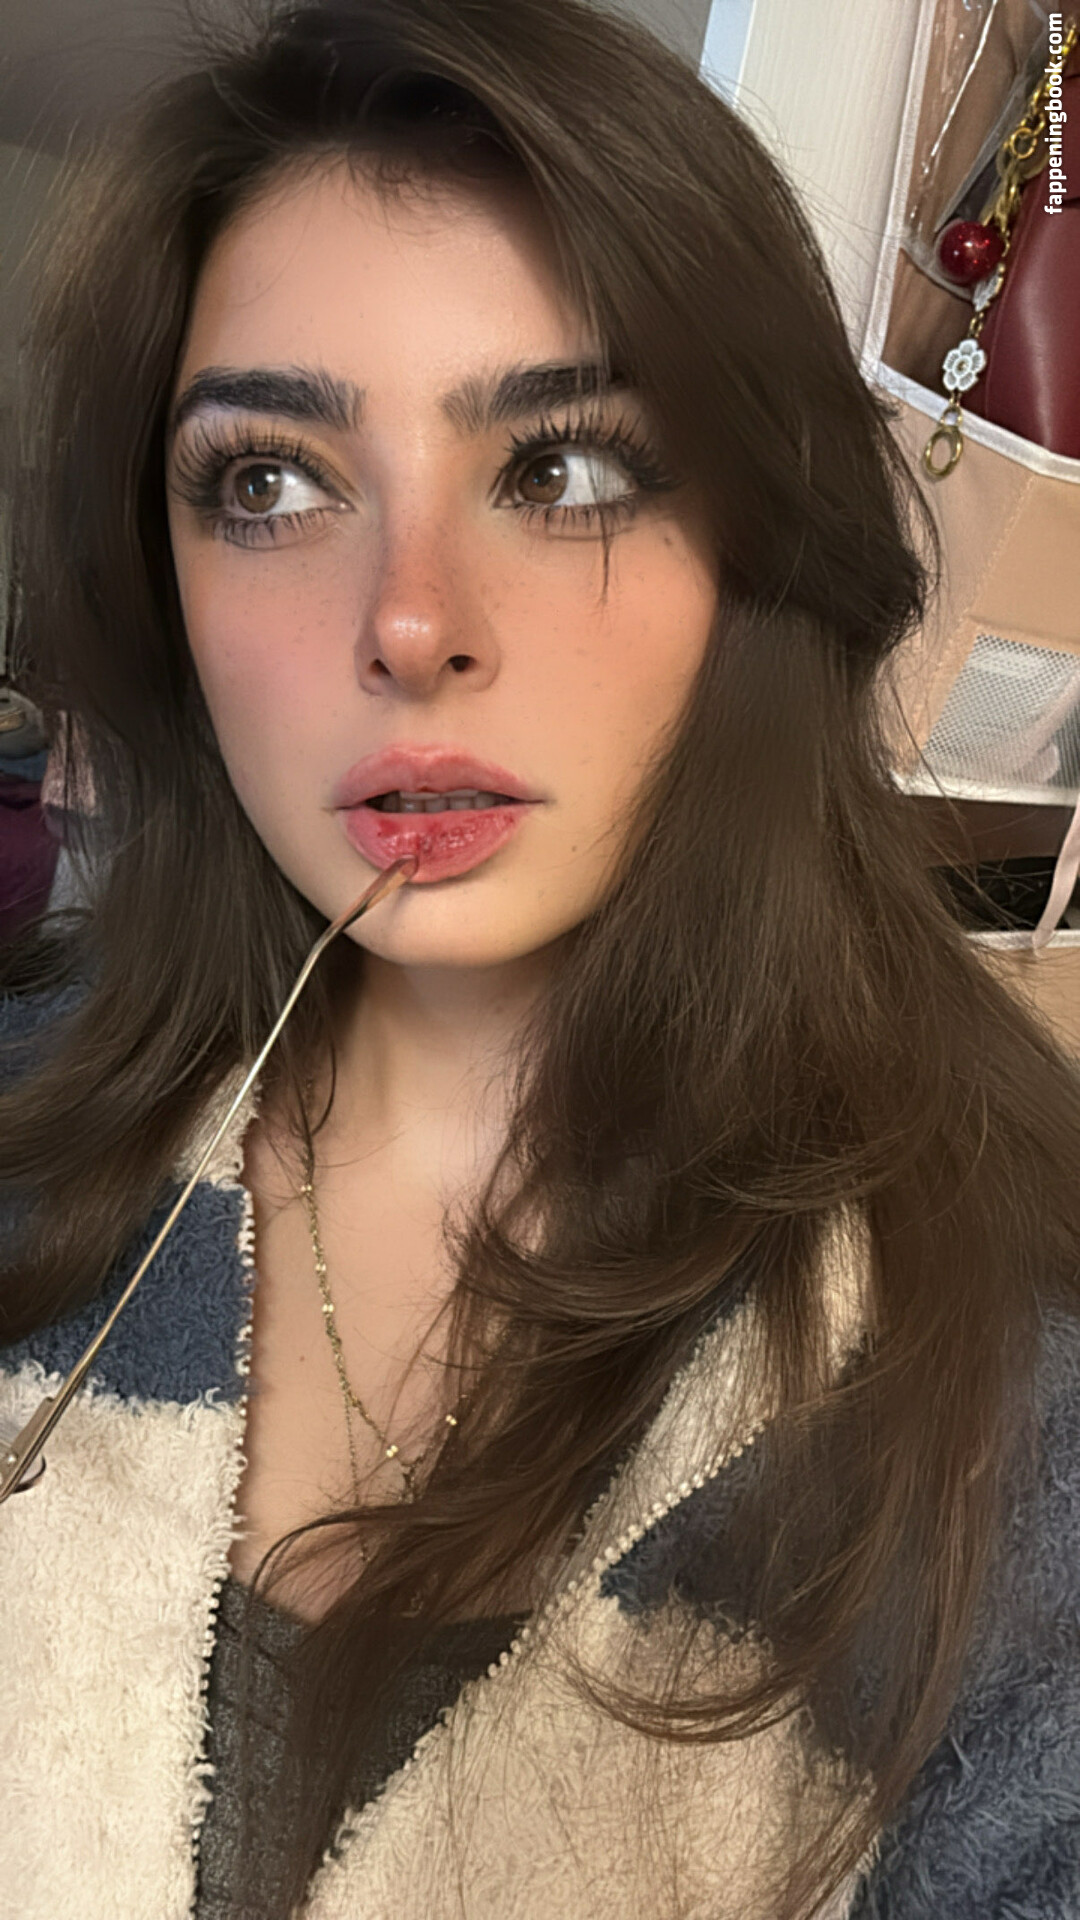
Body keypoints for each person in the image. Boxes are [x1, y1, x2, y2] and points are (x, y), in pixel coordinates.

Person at [1, 2, 1078, 1915]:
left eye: (566, 466)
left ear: (756, 545)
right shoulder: (33, 1144)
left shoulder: (1010, 1378)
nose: (412, 624)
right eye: (269, 482)